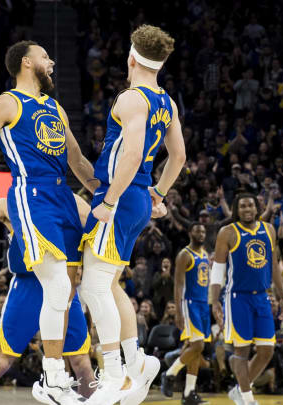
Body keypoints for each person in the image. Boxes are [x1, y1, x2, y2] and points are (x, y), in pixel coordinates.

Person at [0, 187, 164, 404]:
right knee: (2, 360)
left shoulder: (75, 202)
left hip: (66, 285)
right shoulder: (11, 203)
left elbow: (106, 225)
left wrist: (140, 206)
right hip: (28, 286)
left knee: (81, 360)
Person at [0, 39, 96, 405]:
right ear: (27, 62)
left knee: (70, 284)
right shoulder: (6, 103)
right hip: (32, 196)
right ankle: (53, 377)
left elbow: (78, 162)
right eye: (46, 56)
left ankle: (78, 378)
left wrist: (110, 194)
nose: (52, 62)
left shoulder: (57, 110)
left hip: (64, 196)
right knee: (59, 287)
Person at [80, 24, 185, 405]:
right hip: (138, 197)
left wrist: (109, 201)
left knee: (92, 285)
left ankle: (114, 376)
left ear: (131, 58)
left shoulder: (131, 99)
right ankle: (136, 360)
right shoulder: (166, 102)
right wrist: (157, 191)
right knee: (108, 284)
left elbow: (133, 153)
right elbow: (179, 157)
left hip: (120, 198)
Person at [211, 193, 283, 405]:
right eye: (242, 206)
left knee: (266, 350)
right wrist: (214, 300)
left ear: (257, 208)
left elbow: (274, 267)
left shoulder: (268, 230)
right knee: (241, 350)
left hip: (262, 297)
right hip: (237, 298)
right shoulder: (228, 232)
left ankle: (240, 389)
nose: (247, 209)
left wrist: (282, 299)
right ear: (237, 210)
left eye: (250, 206)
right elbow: (218, 269)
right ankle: (247, 398)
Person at [161, 223, 211, 405]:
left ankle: (189, 393)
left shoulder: (205, 254)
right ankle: (170, 373)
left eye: (203, 231)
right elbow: (178, 285)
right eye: (198, 230)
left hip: (204, 305)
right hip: (190, 305)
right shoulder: (184, 255)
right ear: (190, 233)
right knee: (197, 347)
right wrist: (179, 312)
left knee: (197, 352)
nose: (201, 233)